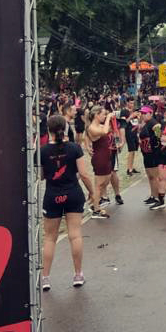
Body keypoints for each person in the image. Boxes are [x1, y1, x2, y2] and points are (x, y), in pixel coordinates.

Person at [40, 114, 95, 290]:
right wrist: (92, 192)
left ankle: (45, 278)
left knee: (49, 238)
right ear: (65, 129)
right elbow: (84, 174)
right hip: (73, 193)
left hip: (52, 195)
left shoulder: (41, 151)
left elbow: (41, 176)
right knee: (75, 234)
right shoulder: (74, 148)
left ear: (48, 130)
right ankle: (78, 275)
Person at [86, 105, 115, 220]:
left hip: (106, 155)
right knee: (98, 185)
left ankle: (96, 203)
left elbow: (109, 130)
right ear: (97, 115)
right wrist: (108, 118)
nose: (104, 116)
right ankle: (96, 209)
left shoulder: (99, 125)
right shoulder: (92, 127)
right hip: (100, 157)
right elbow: (104, 132)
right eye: (103, 114)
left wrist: (87, 145)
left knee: (106, 180)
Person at [138, 105, 162, 207]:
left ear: (151, 113)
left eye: (145, 113)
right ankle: (153, 195)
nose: (143, 115)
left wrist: (156, 143)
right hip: (146, 152)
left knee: (154, 176)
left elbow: (159, 135)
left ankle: (158, 198)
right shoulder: (146, 123)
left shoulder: (153, 123)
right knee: (150, 176)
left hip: (153, 153)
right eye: (142, 113)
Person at [123, 99, 142, 175]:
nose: (132, 105)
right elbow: (123, 123)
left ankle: (132, 167)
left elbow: (138, 122)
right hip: (129, 132)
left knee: (134, 151)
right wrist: (131, 116)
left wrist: (138, 117)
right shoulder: (124, 111)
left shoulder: (134, 111)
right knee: (131, 151)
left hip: (135, 133)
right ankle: (129, 169)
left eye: (133, 103)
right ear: (127, 103)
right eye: (131, 103)